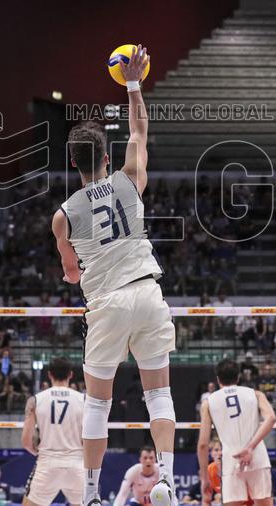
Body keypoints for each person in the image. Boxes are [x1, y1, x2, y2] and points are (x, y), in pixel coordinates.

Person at [52, 45, 176, 506]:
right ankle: (165, 481)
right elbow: (140, 128)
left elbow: (69, 272)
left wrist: (81, 268)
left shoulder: (62, 216)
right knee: (158, 394)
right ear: (107, 155)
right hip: (146, 292)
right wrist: (133, 83)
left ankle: (89, 495)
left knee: (99, 404)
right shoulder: (129, 180)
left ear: (73, 164)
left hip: (105, 303)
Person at [198, 359, 276, 506]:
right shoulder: (256, 394)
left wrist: (204, 478)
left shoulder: (208, 403)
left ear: (218, 379)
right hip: (257, 456)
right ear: (238, 377)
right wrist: (250, 447)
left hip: (231, 459)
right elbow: (271, 418)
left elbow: (203, 444)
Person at [22, 357, 85, 506]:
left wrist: (42, 453)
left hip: (47, 464)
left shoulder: (35, 400)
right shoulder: (84, 400)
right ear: (71, 374)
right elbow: (91, 438)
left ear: (49, 375)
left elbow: (26, 441)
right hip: (76, 464)